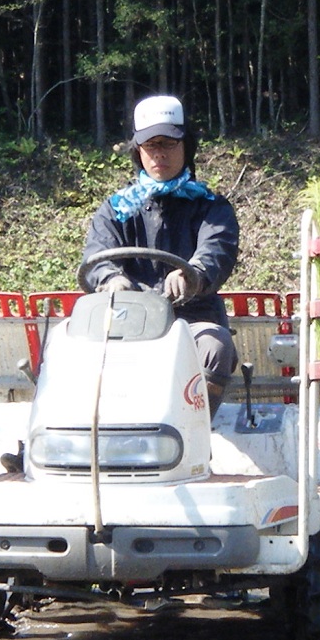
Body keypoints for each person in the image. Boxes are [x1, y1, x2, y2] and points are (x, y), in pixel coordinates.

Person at [81, 93, 238, 408]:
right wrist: (111, 278)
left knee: (216, 346)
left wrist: (192, 273)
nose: (159, 154)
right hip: (127, 321)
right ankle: (61, 440)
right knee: (69, 343)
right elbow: (98, 255)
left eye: (168, 144)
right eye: (151, 146)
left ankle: (188, 437)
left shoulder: (210, 206)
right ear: (138, 151)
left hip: (191, 319)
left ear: (186, 146)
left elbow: (216, 250)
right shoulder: (117, 208)